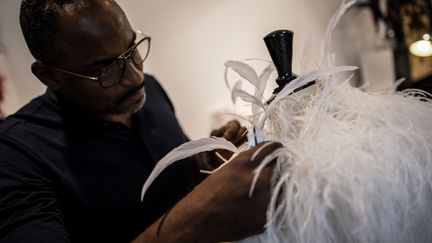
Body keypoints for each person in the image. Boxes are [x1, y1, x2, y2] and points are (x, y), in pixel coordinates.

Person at [0, 0, 280, 242]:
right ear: (49, 76)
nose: (135, 77)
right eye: (104, 69)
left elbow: (153, 197)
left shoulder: (151, 91)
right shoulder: (14, 155)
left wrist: (198, 167)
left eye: (132, 48)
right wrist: (197, 217)